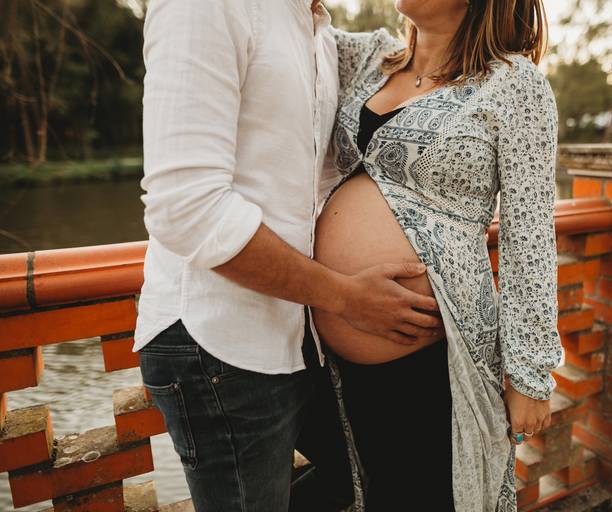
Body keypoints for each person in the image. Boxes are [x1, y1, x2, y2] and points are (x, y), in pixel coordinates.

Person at [134, 1, 443, 511]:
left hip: (298, 336)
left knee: (370, 478)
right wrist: (344, 296)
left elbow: (307, 183)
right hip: (219, 343)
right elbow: (186, 207)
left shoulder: (315, 30)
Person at [312, 0, 564, 510]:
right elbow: (299, 25)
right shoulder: (368, 58)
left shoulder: (514, 84)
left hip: (437, 355)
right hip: (327, 352)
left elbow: (530, 235)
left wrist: (531, 374)